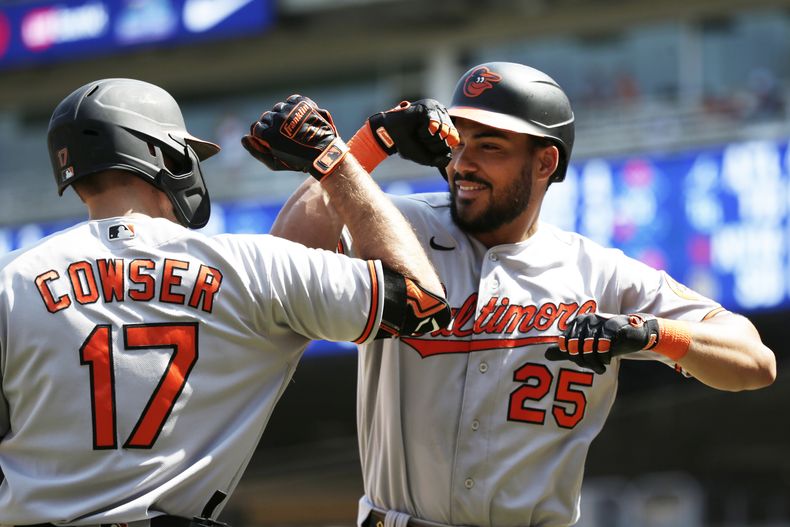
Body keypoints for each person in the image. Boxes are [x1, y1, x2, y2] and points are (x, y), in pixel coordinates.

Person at [269, 62, 777, 527]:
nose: (462, 164)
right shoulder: (398, 228)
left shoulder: (596, 273)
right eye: (458, 143)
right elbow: (281, 267)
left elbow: (754, 362)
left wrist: (650, 334)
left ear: (544, 162)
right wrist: (368, 145)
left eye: (489, 146)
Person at [0, 80, 454, 526]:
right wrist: (340, 153)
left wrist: (368, 144)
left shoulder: (11, 278)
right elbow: (421, 302)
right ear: (163, 156)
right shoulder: (243, 267)